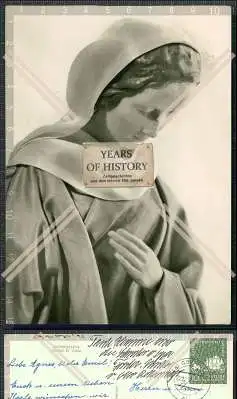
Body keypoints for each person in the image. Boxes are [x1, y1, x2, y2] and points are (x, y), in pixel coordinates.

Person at [6, 18, 206, 324]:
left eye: (170, 114)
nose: (155, 129)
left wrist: (160, 283)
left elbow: (195, 315)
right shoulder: (36, 176)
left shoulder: (156, 191)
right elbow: (14, 292)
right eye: (147, 112)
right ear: (104, 94)